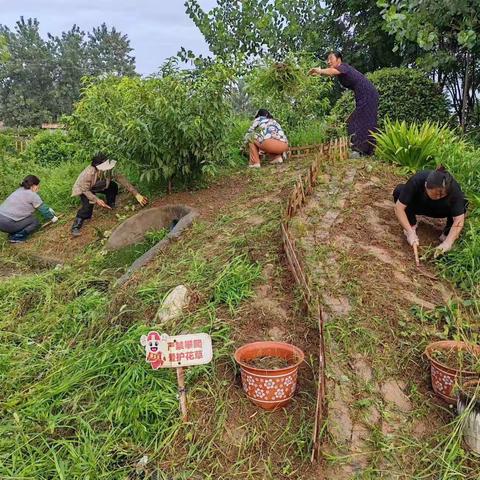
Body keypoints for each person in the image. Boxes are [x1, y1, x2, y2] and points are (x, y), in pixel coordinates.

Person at [309, 52, 379, 156]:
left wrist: (319, 70)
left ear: (339, 59)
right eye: (327, 60)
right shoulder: (341, 70)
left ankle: (359, 150)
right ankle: (368, 151)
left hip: (367, 93)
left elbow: (331, 72)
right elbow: (330, 73)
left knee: (361, 120)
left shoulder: (343, 67)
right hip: (364, 95)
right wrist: (320, 73)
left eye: (330, 58)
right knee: (360, 120)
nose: (328, 61)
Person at [393, 167, 467, 255]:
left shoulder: (454, 189)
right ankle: (411, 223)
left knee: (463, 203)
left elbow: (459, 219)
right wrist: (410, 232)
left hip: (441, 210)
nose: (438, 197)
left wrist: (448, 243)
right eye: (436, 194)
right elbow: (399, 208)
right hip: (419, 205)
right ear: (426, 185)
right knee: (399, 191)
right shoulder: (417, 179)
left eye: (442, 195)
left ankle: (446, 234)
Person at [71, 152, 148, 236]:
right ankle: (76, 226)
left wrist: (136, 194)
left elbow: (121, 179)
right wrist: (97, 200)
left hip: (97, 185)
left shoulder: (110, 170)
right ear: (97, 166)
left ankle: (111, 203)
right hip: (85, 189)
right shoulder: (88, 174)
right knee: (87, 207)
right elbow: (85, 190)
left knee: (113, 186)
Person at [0, 175, 58, 243]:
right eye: (38, 185)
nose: (38, 188)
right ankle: (17, 237)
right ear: (33, 185)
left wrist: (47, 208)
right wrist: (53, 217)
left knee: (27, 218)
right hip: (8, 223)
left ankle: (13, 233)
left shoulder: (18, 190)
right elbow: (43, 209)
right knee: (34, 221)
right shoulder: (32, 195)